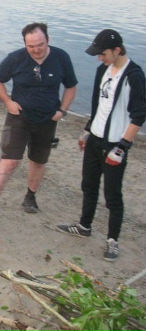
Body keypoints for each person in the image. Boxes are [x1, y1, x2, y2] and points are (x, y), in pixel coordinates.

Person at [57, 30, 146, 262]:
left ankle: (112, 240)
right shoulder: (102, 70)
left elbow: (139, 115)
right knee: (89, 185)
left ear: (117, 50)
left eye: (103, 53)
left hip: (115, 143)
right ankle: (84, 226)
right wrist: (87, 130)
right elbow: (98, 106)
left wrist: (122, 147)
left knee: (112, 194)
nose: (99, 58)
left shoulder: (134, 76)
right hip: (95, 139)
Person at [0, 22, 78, 227]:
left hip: (47, 119)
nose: (36, 49)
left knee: (38, 161)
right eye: (31, 46)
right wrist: (8, 102)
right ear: (25, 43)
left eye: (40, 45)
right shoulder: (15, 58)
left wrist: (62, 111)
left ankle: (30, 196)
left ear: (47, 40)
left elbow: (71, 86)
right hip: (19, 116)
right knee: (10, 160)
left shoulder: (61, 57)